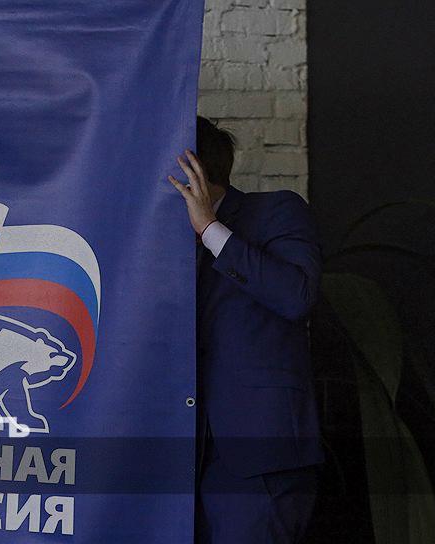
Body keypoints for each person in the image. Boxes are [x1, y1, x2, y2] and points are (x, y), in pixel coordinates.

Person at [167, 117, 324, 544]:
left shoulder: (276, 210)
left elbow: (296, 295)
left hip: (258, 455)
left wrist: (210, 230)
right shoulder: (156, 240)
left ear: (191, 170)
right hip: (176, 460)